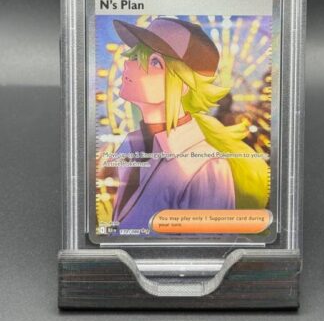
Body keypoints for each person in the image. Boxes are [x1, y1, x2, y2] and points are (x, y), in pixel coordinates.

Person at [109, 17, 269, 231]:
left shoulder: (206, 168)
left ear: (184, 85)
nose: (130, 65)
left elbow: (208, 245)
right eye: (136, 56)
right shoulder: (129, 147)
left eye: (154, 62)